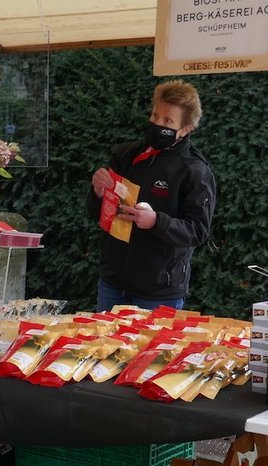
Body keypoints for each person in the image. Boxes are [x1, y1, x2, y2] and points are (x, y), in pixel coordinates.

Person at [88, 79, 217, 311]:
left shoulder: (194, 170)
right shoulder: (126, 154)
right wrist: (98, 193)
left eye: (168, 121)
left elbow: (198, 231)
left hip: (159, 292)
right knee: (105, 347)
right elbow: (99, 214)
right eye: (156, 116)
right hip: (112, 282)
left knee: (151, 349)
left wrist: (157, 222)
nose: (158, 124)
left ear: (186, 128)